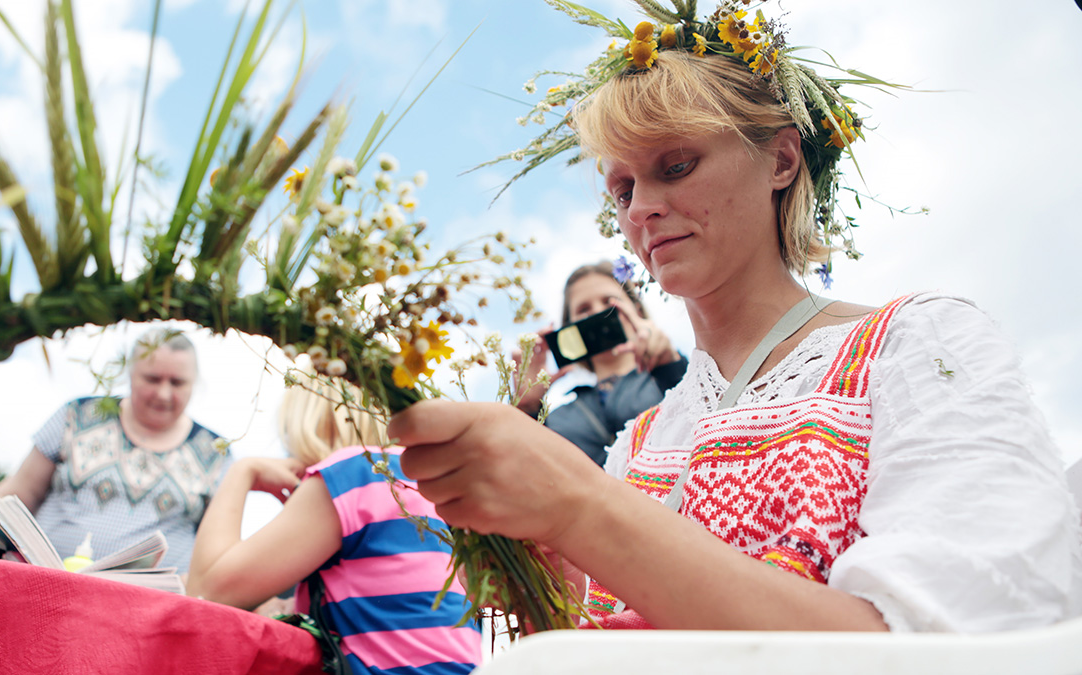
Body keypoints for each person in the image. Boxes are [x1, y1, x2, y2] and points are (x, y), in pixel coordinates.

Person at [387, 10, 1082, 634]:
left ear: (780, 159)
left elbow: (967, 640)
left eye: (676, 164)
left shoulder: (917, 345)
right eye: (622, 187)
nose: (640, 209)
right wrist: (539, 561)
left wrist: (580, 508)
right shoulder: (646, 437)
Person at [188, 373, 482, 675]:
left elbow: (207, 594)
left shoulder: (351, 472)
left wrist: (242, 472)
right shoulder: (425, 484)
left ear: (306, 423)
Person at [0, 328, 229, 571]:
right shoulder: (76, 414)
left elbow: (218, 546)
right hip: (44, 580)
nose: (163, 393)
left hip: (154, 602)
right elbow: (21, 491)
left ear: (194, 383)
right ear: (131, 374)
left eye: (177, 383)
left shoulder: (216, 453)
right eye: (152, 379)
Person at [514, 261, 687, 465]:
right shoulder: (559, 419)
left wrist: (670, 368)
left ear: (636, 311)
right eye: (583, 309)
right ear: (571, 329)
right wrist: (526, 408)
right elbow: (523, 470)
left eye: (610, 301)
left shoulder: (677, 375)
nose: (598, 312)